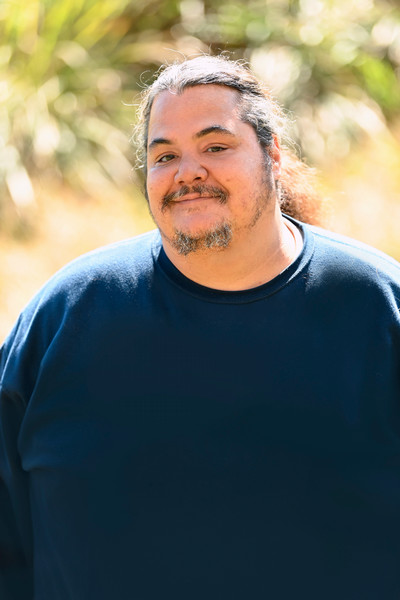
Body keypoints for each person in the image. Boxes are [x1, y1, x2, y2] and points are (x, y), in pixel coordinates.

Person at [1, 54, 400, 600]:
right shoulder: (65, 316)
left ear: (273, 156)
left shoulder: (378, 307)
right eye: (165, 155)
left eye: (215, 146)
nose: (187, 171)